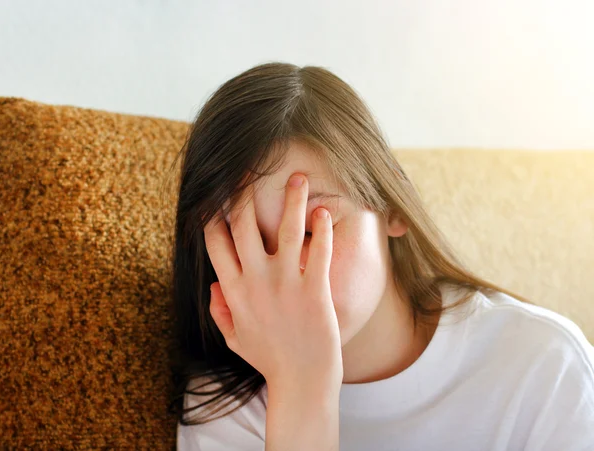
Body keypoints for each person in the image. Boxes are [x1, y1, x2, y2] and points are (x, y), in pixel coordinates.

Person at [167, 62, 594, 450]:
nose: (286, 280)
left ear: (392, 206)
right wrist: (299, 388)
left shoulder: (543, 366)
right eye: (251, 249)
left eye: (314, 230)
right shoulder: (225, 406)